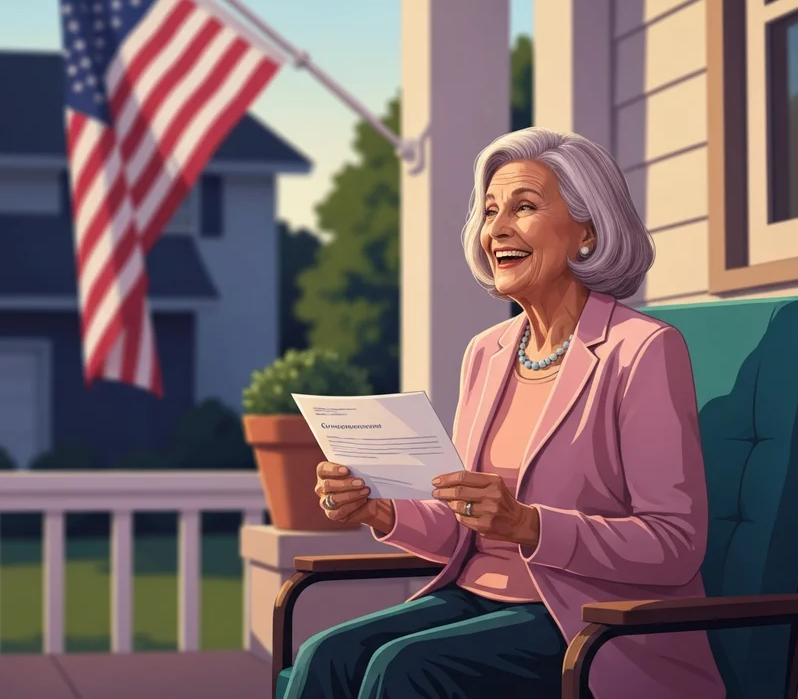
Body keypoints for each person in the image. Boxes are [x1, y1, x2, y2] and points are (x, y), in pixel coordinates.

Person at [283, 127, 726, 699]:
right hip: (475, 594)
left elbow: (674, 543)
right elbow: (463, 523)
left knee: (405, 668)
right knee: (327, 655)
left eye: (525, 207)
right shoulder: (487, 352)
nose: (497, 229)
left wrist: (529, 524)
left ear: (587, 231)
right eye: (491, 210)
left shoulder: (641, 349)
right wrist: (380, 510)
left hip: (590, 620)